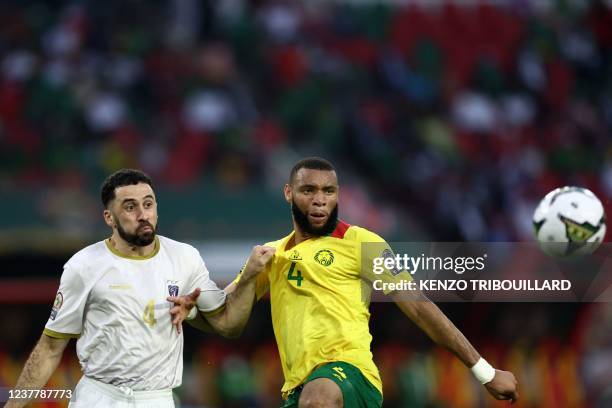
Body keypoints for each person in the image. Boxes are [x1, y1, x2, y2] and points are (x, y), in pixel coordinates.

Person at [170, 157, 519, 407]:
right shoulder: (270, 255)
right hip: (297, 389)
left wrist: (485, 371)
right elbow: (227, 319)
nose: (320, 199)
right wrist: (193, 308)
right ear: (289, 193)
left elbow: (419, 307)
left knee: (319, 397)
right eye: (309, 190)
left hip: (351, 377)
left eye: (328, 190)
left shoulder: (361, 243)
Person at [4, 169, 274, 408]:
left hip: (157, 398)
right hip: (100, 396)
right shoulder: (84, 265)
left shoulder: (185, 257)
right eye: (130, 207)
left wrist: (248, 277)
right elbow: (50, 348)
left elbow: (228, 325)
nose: (143, 214)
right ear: (109, 217)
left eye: (148, 204)